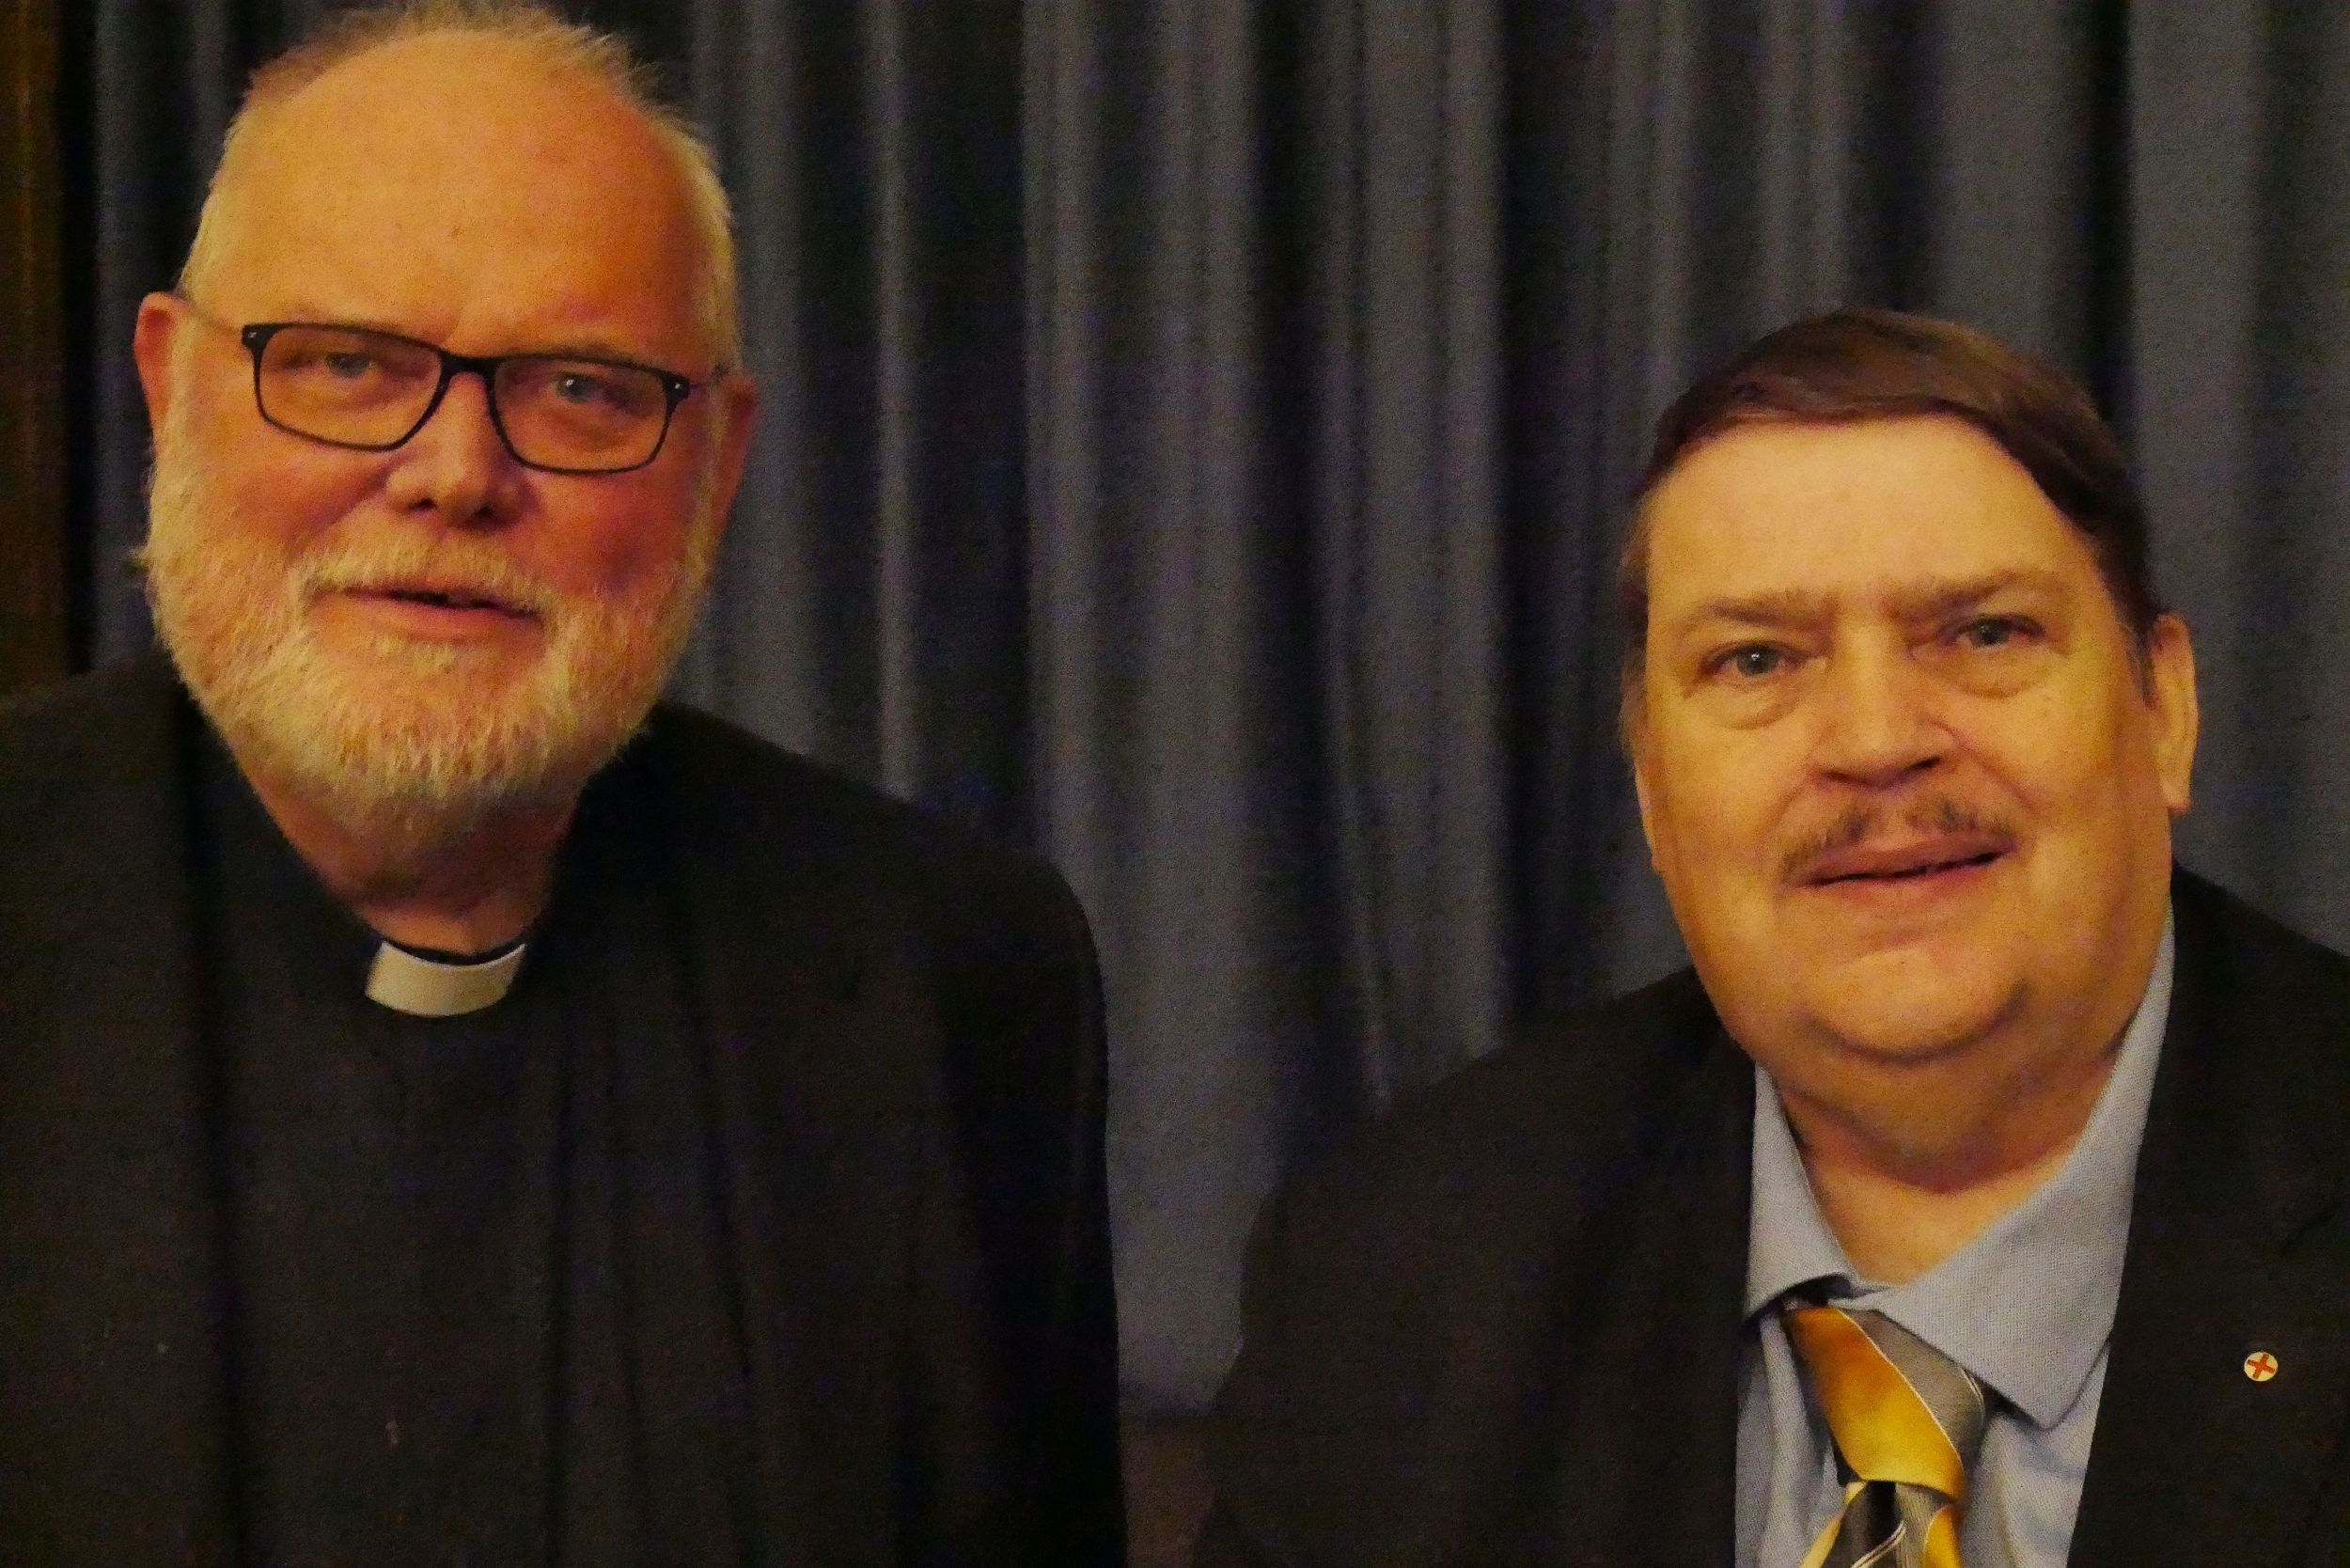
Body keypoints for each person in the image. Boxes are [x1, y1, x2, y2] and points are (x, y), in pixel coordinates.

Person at [0, 4, 1121, 1563]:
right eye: (345, 365)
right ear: (170, 386)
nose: (457, 473)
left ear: (717, 464)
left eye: (580, 390)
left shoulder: (954, 979)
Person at [1196, 308, 2350, 1566]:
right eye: (1757, 660)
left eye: (1983, 633)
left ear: (2164, 708)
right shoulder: (1400, 1281)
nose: (1875, 740)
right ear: (1651, 785)